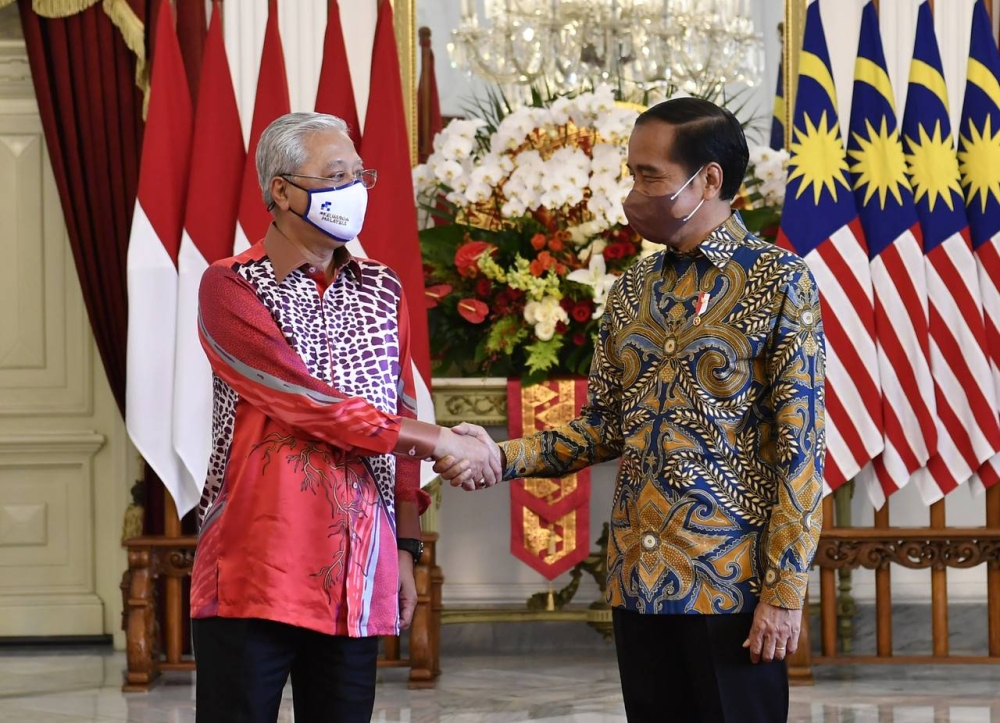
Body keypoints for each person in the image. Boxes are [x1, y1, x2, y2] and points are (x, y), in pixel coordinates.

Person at [438, 98, 826, 723]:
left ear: (708, 181)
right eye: (633, 173)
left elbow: (801, 446)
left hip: (729, 586)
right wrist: (498, 456)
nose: (635, 191)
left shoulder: (778, 281)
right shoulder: (633, 288)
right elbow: (604, 426)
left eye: (651, 177)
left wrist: (784, 590)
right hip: (639, 580)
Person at [189, 111, 500, 723]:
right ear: (280, 190)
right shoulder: (230, 286)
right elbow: (304, 402)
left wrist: (406, 550)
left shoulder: (383, 288)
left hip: (358, 568)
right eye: (336, 175)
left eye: (361, 176)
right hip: (255, 567)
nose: (353, 191)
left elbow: (398, 409)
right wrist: (438, 440)